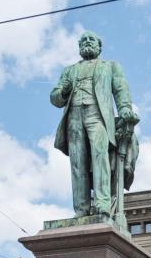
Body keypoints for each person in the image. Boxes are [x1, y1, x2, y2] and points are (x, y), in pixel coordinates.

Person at [51, 31, 137, 217]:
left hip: (97, 115)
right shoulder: (69, 70)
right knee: (77, 162)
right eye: (83, 40)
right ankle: (81, 210)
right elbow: (55, 98)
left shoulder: (111, 66)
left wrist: (124, 109)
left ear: (99, 47)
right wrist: (62, 92)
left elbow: (121, 89)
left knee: (100, 156)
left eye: (91, 40)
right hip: (73, 116)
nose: (87, 42)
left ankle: (102, 203)